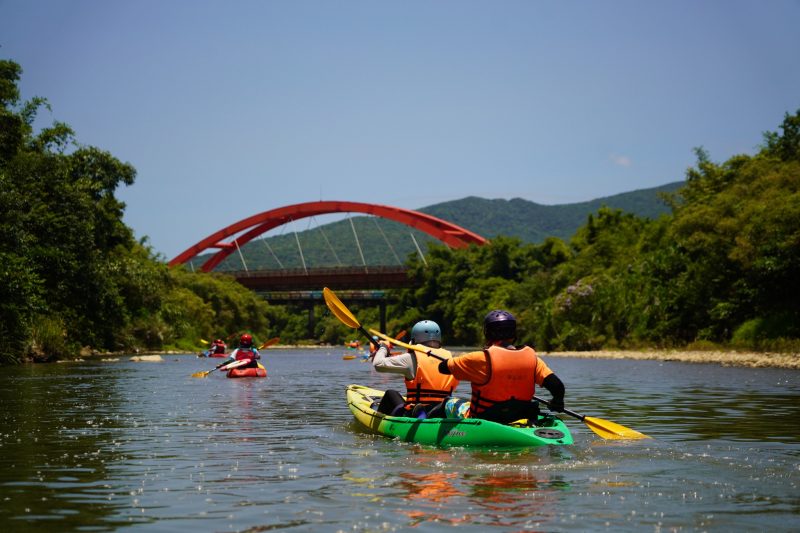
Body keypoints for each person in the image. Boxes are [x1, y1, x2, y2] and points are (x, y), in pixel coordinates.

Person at [437, 310, 565, 424]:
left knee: (449, 402)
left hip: (487, 419)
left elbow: (442, 368)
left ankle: (425, 422)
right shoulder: (534, 360)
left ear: (487, 333)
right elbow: (558, 386)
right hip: (523, 416)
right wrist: (557, 402)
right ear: (514, 334)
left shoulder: (479, 358)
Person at [371, 320, 460, 418]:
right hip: (441, 412)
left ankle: (376, 414)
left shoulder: (411, 357)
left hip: (414, 415)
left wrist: (383, 348)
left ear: (414, 339)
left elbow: (378, 364)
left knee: (391, 393)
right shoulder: (451, 359)